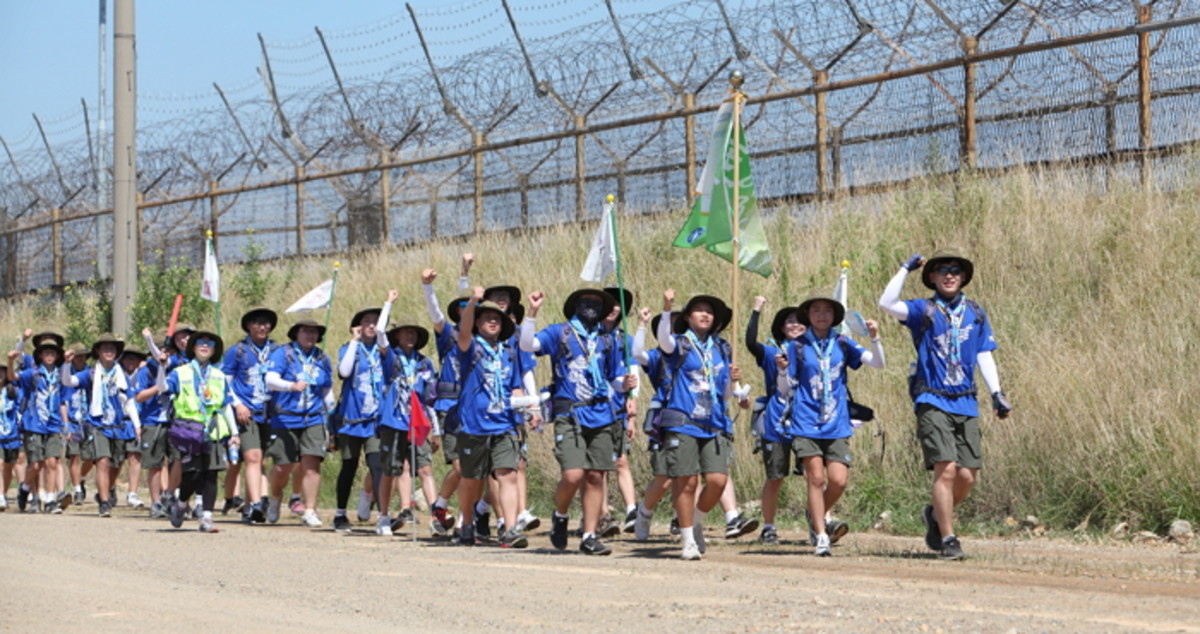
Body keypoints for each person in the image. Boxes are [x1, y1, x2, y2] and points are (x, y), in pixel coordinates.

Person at [878, 249, 1012, 560]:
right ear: (932, 278)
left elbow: (983, 353)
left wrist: (996, 392)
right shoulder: (922, 310)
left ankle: (935, 515)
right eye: (942, 270)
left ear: (963, 277)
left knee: (967, 475)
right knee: (946, 469)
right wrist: (904, 269)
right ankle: (949, 538)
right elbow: (886, 303)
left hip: (966, 401)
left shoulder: (975, 312)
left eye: (955, 270)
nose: (949, 275)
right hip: (932, 398)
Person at [521, 287, 635, 556]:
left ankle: (589, 535)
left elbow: (612, 378)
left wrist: (625, 385)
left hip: (602, 413)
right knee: (573, 474)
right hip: (570, 413)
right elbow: (527, 345)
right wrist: (532, 312)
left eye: (597, 303)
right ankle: (560, 515)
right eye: (586, 302)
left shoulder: (607, 340)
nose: (591, 307)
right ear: (575, 306)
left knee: (596, 475)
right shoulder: (560, 333)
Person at [776, 295, 884, 555]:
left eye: (827, 310)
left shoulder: (843, 343)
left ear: (834, 316)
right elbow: (785, 389)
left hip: (836, 422)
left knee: (839, 481)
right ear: (808, 315)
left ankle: (815, 513)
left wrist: (874, 337)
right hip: (806, 421)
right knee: (815, 478)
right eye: (816, 310)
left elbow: (878, 363)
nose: (822, 315)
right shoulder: (797, 346)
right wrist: (781, 370)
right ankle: (821, 534)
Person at [654, 290, 747, 560]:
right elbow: (663, 340)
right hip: (684, 421)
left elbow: (725, 394)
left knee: (718, 480)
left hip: (714, 423)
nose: (705, 315)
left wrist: (735, 385)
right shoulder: (680, 344)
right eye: (699, 310)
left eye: (709, 311)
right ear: (687, 317)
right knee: (687, 481)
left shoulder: (723, 348)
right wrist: (667, 308)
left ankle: (694, 522)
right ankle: (687, 541)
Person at [454, 289, 533, 548]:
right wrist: (473, 302)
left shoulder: (509, 353)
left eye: (497, 318)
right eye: (487, 317)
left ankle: (510, 529)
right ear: (477, 322)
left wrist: (526, 405)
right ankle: (467, 521)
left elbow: (515, 386)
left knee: (507, 474)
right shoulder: (471, 348)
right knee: (472, 480)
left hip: (504, 424)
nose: (492, 321)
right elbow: (463, 332)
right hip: (474, 425)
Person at [151, 331, 239, 532]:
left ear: (215, 351)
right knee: (192, 474)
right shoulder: (180, 372)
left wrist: (234, 433)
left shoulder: (218, 375)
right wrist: (162, 367)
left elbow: (225, 404)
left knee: (211, 473)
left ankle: (207, 517)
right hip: (188, 430)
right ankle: (181, 503)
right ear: (193, 347)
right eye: (200, 342)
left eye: (210, 344)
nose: (205, 346)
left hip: (214, 430)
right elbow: (162, 388)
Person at [331, 292, 397, 532]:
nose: (371, 325)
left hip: (376, 421)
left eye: (375, 322)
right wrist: (354, 341)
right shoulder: (349, 348)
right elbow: (344, 372)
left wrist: (387, 304)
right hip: (351, 419)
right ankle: (340, 513)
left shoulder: (385, 351)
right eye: (367, 321)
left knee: (377, 465)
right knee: (348, 466)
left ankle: (382, 516)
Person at [60, 334, 141, 517]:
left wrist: (137, 425)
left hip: (117, 425)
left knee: (115, 464)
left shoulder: (120, 374)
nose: (109, 352)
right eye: (105, 348)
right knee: (102, 462)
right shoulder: (91, 373)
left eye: (112, 348)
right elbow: (68, 381)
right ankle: (104, 503)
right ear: (98, 351)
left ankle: (105, 491)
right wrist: (66, 364)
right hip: (98, 424)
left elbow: (129, 401)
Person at [745, 297, 804, 544]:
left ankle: (823, 521)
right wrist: (756, 310)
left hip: (808, 419)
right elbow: (751, 343)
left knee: (814, 474)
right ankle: (768, 526)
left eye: (800, 321)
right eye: (790, 321)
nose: (795, 325)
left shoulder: (815, 350)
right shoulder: (772, 352)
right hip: (777, 421)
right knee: (775, 476)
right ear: (781, 327)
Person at [264, 319, 335, 528]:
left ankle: (310, 509)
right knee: (282, 466)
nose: (310, 335)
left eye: (314, 332)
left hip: (314, 417)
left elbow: (326, 387)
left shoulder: (322, 357)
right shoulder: (283, 353)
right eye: (305, 331)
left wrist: (331, 411)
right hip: (285, 418)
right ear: (296, 333)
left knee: (311, 465)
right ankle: (275, 497)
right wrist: (290, 386)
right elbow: (270, 380)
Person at [420, 260, 471, 537]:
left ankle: (464, 519)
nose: (467, 312)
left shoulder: (484, 340)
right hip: (450, 408)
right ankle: (441, 505)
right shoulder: (448, 336)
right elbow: (437, 313)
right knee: (461, 467)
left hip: (475, 409)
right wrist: (427, 287)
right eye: (462, 309)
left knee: (474, 469)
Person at [374, 321, 437, 536]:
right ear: (397, 336)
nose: (410, 336)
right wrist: (388, 305)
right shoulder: (391, 359)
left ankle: (436, 517)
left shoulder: (424, 363)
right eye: (406, 332)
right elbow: (380, 333)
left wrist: (435, 428)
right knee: (391, 470)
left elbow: (430, 397)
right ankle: (383, 516)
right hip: (394, 421)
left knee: (425, 468)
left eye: (414, 333)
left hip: (417, 421)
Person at [221, 308, 281, 523]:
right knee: (252, 457)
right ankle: (257, 503)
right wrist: (238, 405)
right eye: (257, 323)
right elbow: (225, 384)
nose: (262, 327)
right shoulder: (237, 351)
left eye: (266, 323)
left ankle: (249, 505)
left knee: (260, 460)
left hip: (269, 412)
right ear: (248, 326)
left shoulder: (277, 351)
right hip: (246, 413)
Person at [8, 333, 67, 513]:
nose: (49, 355)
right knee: (35, 465)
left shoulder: (60, 375)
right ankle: (25, 487)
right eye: (46, 352)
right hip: (34, 424)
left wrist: (65, 424)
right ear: (40, 355)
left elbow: (63, 401)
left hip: (53, 424)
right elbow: (12, 377)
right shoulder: (32, 373)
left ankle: (50, 499)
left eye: (53, 352)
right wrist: (10, 361)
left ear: (57, 356)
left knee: (52, 462)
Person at [62, 342, 94, 508]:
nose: (80, 359)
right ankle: (77, 490)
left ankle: (80, 478)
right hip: (73, 421)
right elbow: (62, 400)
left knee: (91, 457)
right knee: (74, 455)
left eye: (83, 356)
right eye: (77, 356)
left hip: (89, 420)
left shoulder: (91, 373)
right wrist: (65, 424)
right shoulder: (66, 374)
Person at [118, 346, 149, 509]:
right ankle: (109, 489)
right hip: (119, 421)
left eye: (135, 358)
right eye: (128, 358)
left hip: (137, 421)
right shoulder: (116, 374)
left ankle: (132, 494)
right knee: (116, 460)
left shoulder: (144, 374)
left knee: (135, 457)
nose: (131, 362)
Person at [0, 367, 21, 511]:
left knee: (8, 467)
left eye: (2, 371)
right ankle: (0, 496)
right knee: (0, 464)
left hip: (12, 434)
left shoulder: (13, 391)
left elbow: (21, 409)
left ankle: (4, 493)